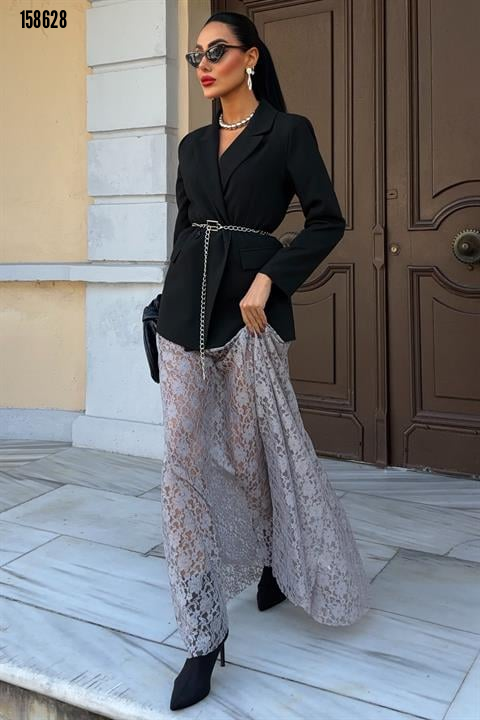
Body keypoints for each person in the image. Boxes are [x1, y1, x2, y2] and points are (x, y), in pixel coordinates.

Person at [155, 11, 371, 711]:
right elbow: (185, 230)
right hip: (184, 314)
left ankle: (277, 561)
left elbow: (327, 220)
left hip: (248, 314)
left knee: (253, 456)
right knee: (181, 462)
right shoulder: (191, 145)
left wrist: (271, 278)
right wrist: (161, 301)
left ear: (250, 57)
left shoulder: (288, 132)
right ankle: (202, 634)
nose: (203, 63)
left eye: (216, 51)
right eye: (196, 53)